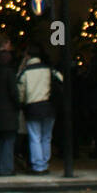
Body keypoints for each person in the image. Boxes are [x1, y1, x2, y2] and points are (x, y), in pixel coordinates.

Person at [17, 44, 58, 174]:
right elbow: (61, 80)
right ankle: (44, 164)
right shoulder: (49, 69)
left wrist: (21, 102)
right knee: (47, 137)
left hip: (33, 107)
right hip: (48, 106)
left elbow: (20, 92)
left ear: (28, 56)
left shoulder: (26, 72)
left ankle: (38, 166)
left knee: (35, 137)